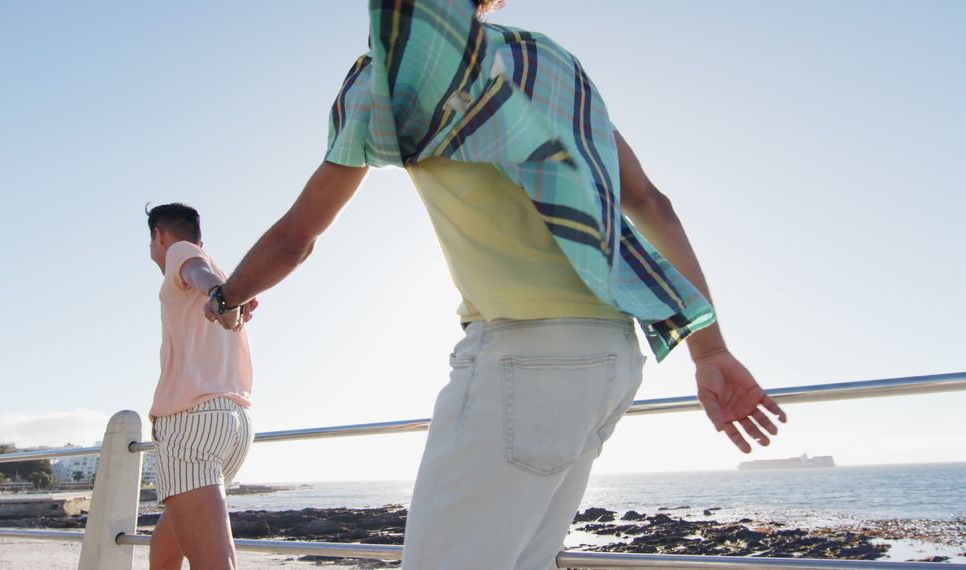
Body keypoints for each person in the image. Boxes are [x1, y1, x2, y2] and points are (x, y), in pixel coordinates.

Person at [206, 1, 787, 567]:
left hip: (523, 359)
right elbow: (650, 201)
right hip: (612, 356)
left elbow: (294, 239)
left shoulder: (389, 79)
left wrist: (225, 298)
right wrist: (709, 348)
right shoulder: (552, 62)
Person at [145, 203, 256, 570]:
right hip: (233, 425)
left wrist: (218, 295)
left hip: (192, 424)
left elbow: (197, 270)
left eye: (152, 242)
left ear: (160, 234)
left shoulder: (185, 256)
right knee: (169, 539)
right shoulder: (226, 282)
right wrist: (224, 295)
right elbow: (206, 275)